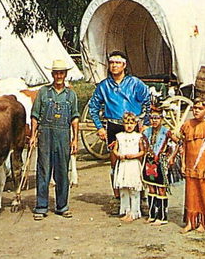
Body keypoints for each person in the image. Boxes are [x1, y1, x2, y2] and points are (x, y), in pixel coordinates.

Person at [89, 51, 151, 202]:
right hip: (114, 127)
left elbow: (148, 100)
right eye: (112, 63)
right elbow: (93, 107)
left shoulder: (135, 83)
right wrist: (100, 127)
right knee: (115, 161)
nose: (114, 66)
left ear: (124, 65)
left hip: (133, 125)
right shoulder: (104, 86)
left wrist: (146, 123)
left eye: (118, 63)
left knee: (137, 160)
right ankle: (118, 197)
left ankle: (139, 194)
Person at [31, 59, 79, 220]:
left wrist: (75, 140)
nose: (59, 76)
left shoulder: (71, 95)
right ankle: (41, 206)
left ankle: (62, 206)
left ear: (65, 75)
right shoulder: (43, 92)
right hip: (45, 135)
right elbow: (35, 115)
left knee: (62, 172)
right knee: (43, 170)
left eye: (61, 73)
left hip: (63, 135)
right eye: (56, 73)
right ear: (52, 74)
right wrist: (32, 135)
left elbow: (75, 118)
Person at [173, 99, 205, 233]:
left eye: (200, 108)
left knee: (202, 194)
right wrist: (183, 164)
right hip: (190, 166)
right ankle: (190, 222)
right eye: (195, 108)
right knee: (190, 194)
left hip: (202, 166)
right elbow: (184, 145)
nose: (196, 111)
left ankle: (203, 223)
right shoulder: (187, 125)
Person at [141, 108, 177, 226]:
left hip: (161, 162)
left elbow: (179, 142)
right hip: (149, 162)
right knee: (151, 188)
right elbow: (142, 144)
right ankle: (152, 215)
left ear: (161, 119)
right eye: (152, 118)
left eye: (157, 118)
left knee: (161, 188)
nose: (154, 120)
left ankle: (162, 216)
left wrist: (171, 156)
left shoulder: (166, 132)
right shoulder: (146, 132)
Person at [112, 112, 144, 222]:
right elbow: (115, 149)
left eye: (131, 123)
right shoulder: (120, 136)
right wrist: (118, 155)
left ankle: (134, 212)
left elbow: (142, 151)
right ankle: (125, 210)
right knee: (124, 188)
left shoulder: (138, 137)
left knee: (133, 188)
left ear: (135, 124)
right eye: (126, 123)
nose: (129, 125)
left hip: (133, 164)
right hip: (123, 164)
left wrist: (134, 155)